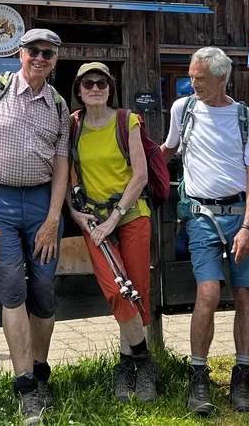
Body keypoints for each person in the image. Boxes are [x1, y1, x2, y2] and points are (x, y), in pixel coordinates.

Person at [0, 28, 70, 426]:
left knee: (43, 288)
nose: (40, 58)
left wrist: (53, 217)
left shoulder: (58, 105)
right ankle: (25, 387)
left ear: (55, 60)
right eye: (33, 51)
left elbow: (62, 164)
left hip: (41, 203)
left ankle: (40, 373)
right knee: (11, 288)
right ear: (20, 53)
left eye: (47, 53)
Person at [160, 46, 249, 416]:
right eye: (191, 77)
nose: (193, 84)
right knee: (207, 293)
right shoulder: (183, 109)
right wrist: (135, 169)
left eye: (200, 79)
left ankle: (242, 377)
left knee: (245, 295)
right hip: (201, 215)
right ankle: (198, 377)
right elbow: (168, 149)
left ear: (222, 79)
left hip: (240, 214)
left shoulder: (247, 118)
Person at [65, 62, 160, 403]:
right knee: (118, 292)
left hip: (131, 215)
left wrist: (115, 216)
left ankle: (126, 367)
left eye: (101, 83)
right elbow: (65, 172)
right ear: (79, 90)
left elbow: (140, 176)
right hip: (94, 221)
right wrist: (74, 212)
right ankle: (145, 362)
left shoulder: (127, 121)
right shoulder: (73, 125)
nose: (95, 89)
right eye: (88, 83)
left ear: (110, 87)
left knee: (137, 293)